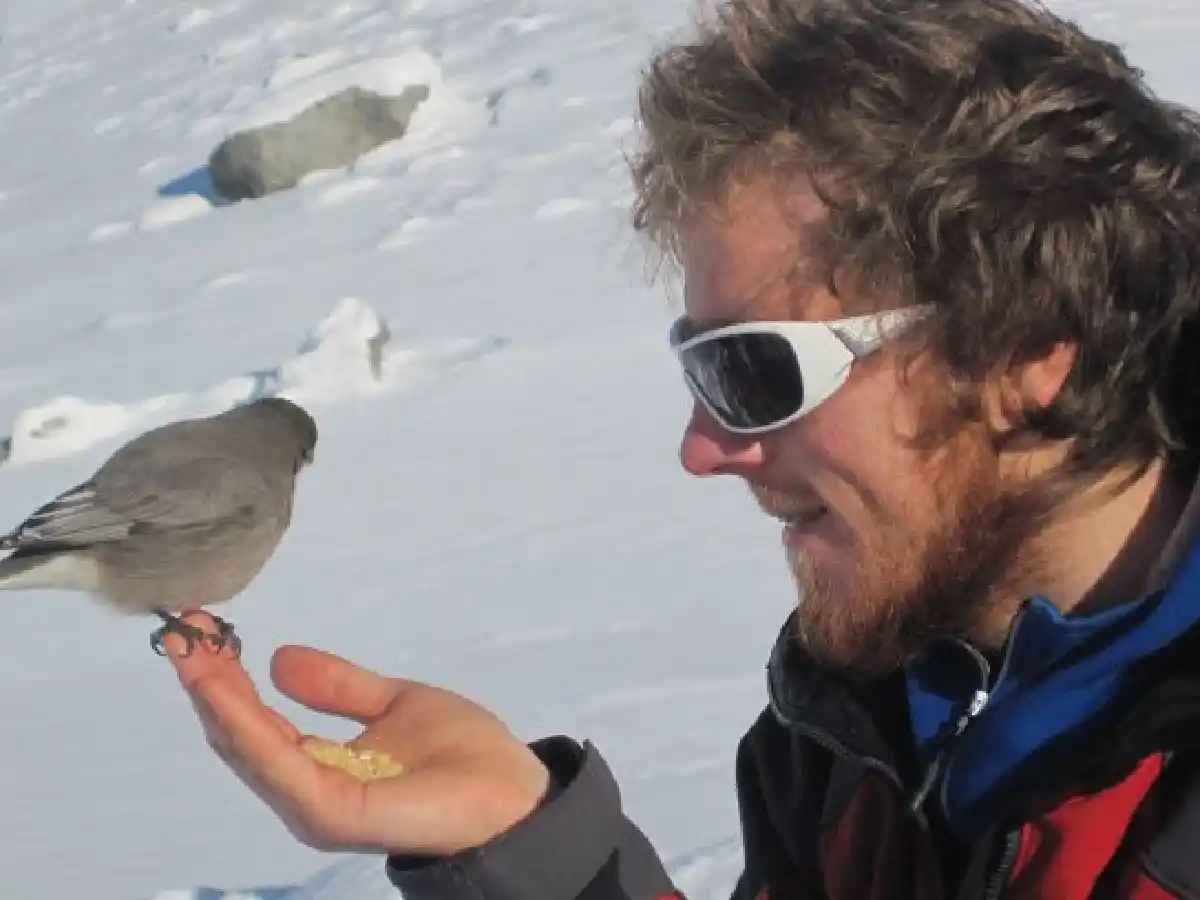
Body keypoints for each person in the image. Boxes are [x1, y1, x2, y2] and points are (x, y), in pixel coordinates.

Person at [162, 0, 1200, 897]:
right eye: (699, 369)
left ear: (1025, 346)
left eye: (755, 370)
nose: (705, 450)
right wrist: (526, 848)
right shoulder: (851, 732)